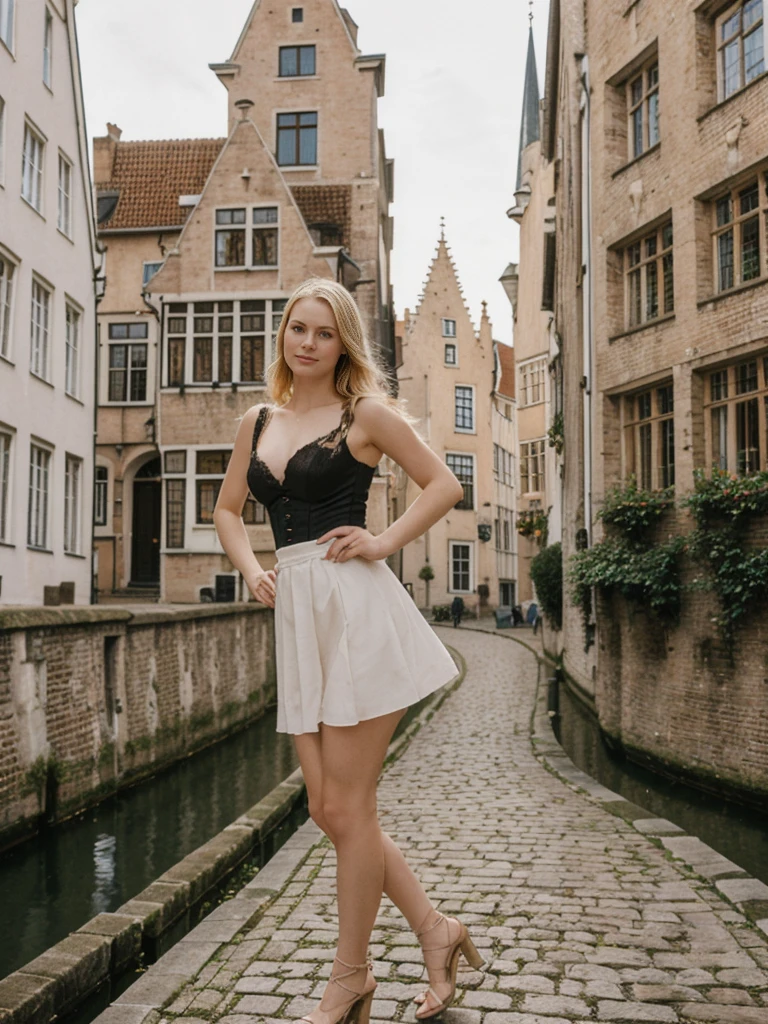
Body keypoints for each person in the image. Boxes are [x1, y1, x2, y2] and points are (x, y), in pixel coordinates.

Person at [213, 279, 484, 1024]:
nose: (306, 342)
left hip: (355, 607)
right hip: (297, 612)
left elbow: (443, 484)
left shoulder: (363, 414)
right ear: (284, 336)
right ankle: (436, 930)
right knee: (329, 810)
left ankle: (350, 976)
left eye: (322, 333)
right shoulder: (257, 421)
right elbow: (229, 510)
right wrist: (253, 569)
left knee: (351, 806)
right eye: (296, 328)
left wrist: (384, 541)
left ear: (344, 343)